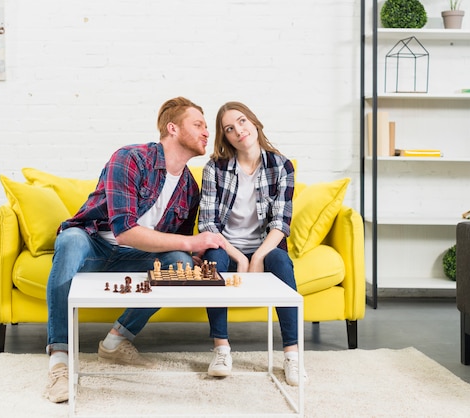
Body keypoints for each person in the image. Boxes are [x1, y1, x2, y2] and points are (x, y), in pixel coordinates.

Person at [45, 97, 226, 403]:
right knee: (70, 240)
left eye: (207, 127)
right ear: (172, 128)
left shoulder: (189, 188)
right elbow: (124, 230)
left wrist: (191, 253)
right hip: (94, 244)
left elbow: (175, 243)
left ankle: (116, 341)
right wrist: (190, 242)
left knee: (180, 264)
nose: (206, 132)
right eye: (198, 125)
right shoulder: (130, 158)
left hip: (135, 259)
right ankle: (59, 360)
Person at [198, 101, 303, 386]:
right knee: (212, 262)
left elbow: (281, 223)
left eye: (242, 121)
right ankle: (221, 349)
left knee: (281, 262)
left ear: (255, 123)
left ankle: (292, 355)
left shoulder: (281, 166)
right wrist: (240, 257)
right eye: (229, 129)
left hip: (265, 246)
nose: (238, 131)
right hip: (226, 245)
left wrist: (257, 257)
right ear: (225, 137)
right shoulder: (214, 169)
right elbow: (207, 224)